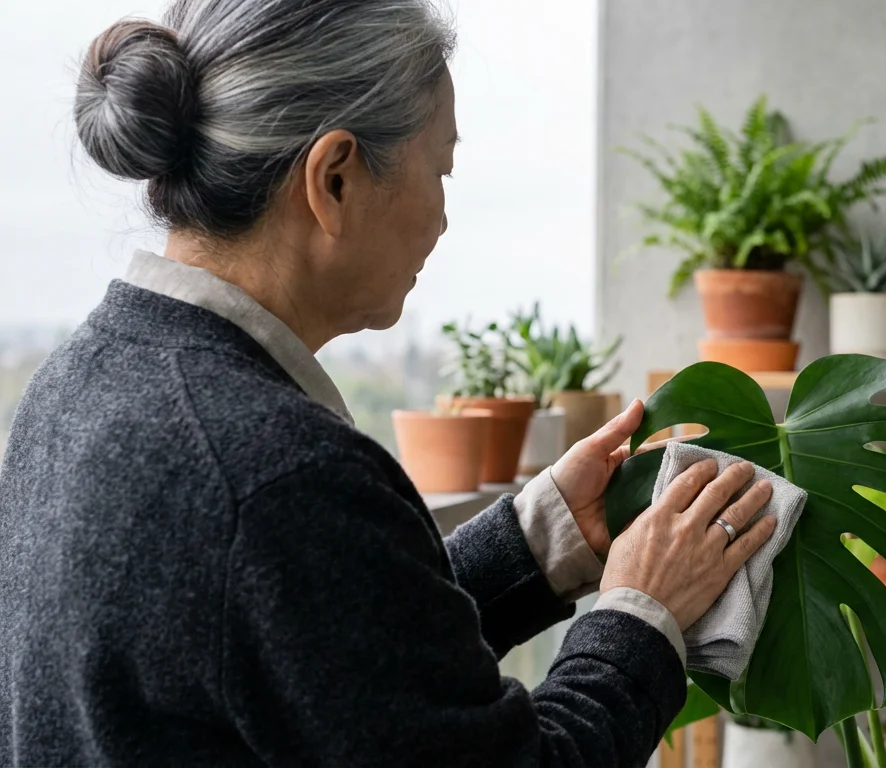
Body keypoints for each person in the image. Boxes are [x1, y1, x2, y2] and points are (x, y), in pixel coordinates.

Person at [0, 2, 779, 765]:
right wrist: (644, 615)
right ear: (335, 177)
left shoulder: (75, 383)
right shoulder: (279, 473)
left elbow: (336, 663)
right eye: (439, 168)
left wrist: (539, 541)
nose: (442, 217)